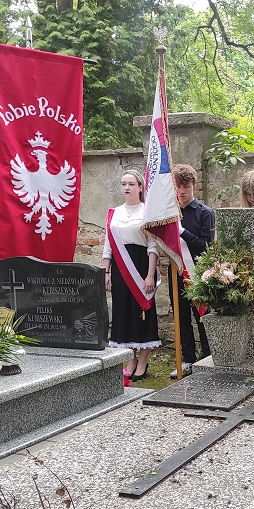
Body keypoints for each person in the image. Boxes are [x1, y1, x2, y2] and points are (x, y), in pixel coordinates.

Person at [102, 168, 160, 382]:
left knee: (142, 311)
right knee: (123, 312)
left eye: (131, 184)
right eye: (123, 184)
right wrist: (106, 271)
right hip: (119, 268)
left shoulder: (148, 212)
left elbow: (153, 246)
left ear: (140, 187)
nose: (126, 188)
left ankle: (143, 360)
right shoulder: (114, 213)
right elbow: (108, 245)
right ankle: (130, 359)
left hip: (141, 265)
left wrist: (150, 275)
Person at [169, 163, 215, 378]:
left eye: (185, 186)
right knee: (181, 317)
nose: (181, 191)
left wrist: (183, 232)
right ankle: (187, 359)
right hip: (177, 271)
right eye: (178, 186)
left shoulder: (205, 213)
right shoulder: (170, 214)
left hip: (199, 273)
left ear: (194, 186)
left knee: (202, 315)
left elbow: (206, 246)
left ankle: (207, 356)